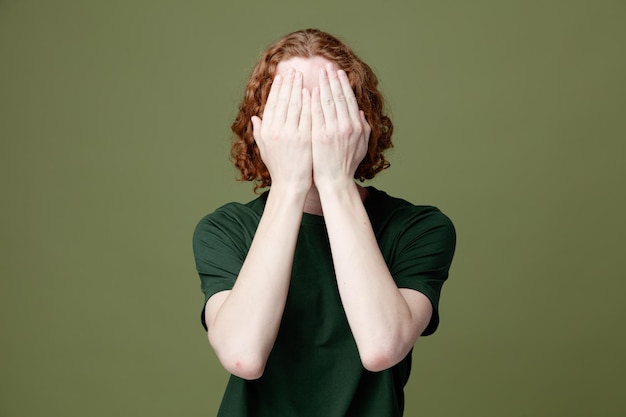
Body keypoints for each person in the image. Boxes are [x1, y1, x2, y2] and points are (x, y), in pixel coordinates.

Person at [193, 28, 456, 417]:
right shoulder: (226, 229)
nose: (310, 123)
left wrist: (334, 182)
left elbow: (382, 347)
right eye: (290, 106)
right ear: (262, 126)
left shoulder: (418, 228)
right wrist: (289, 186)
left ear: (359, 118)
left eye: (330, 103)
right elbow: (242, 355)